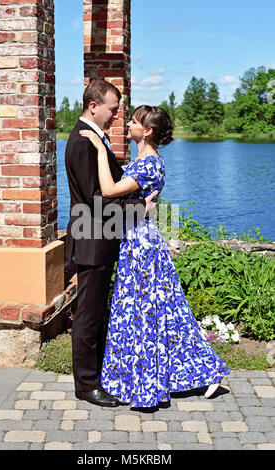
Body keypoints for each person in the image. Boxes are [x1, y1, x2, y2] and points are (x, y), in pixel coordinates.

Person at [79, 104, 230, 408]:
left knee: (149, 313)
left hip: (141, 247)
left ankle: (181, 375)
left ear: (146, 131)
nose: (128, 125)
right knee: (154, 314)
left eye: (134, 122)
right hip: (134, 241)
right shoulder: (142, 160)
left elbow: (108, 191)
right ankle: (145, 378)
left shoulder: (149, 165)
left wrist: (98, 149)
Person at [65, 80, 158, 408]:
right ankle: (86, 385)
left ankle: (95, 375)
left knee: (95, 312)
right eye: (113, 109)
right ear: (94, 106)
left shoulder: (94, 139)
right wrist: (140, 208)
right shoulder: (81, 142)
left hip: (101, 237)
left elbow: (114, 183)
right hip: (92, 238)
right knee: (89, 315)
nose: (117, 116)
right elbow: (94, 200)